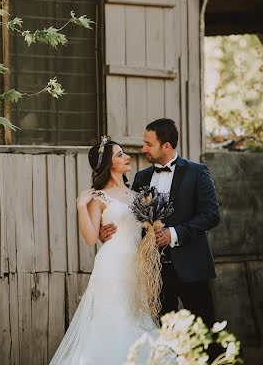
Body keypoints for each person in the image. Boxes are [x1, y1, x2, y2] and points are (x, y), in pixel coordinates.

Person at [100, 118, 220, 329]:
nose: (143, 148)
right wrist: (109, 231)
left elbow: (211, 215)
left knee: (204, 330)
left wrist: (173, 233)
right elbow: (133, 218)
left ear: (166, 146)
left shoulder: (197, 172)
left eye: (149, 144)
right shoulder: (141, 177)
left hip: (192, 266)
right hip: (154, 272)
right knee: (162, 332)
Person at [49, 137, 156, 365]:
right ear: (109, 164)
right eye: (119, 155)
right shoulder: (97, 198)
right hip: (112, 268)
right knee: (112, 321)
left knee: (137, 319)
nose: (127, 157)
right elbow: (89, 238)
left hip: (137, 267)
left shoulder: (138, 195)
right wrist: (80, 205)